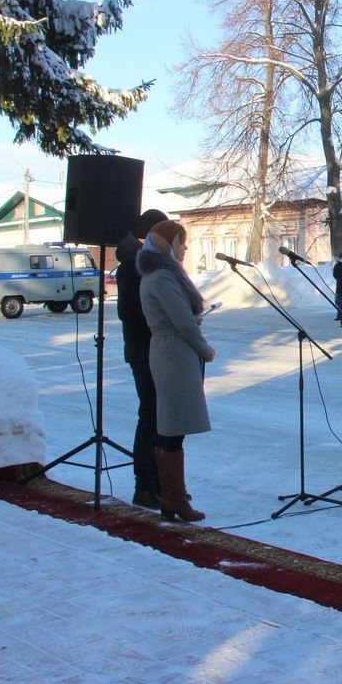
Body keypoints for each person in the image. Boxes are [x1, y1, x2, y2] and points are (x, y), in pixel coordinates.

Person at [136, 220, 215, 523]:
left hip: (171, 351)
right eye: (182, 242)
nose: (185, 249)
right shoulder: (162, 277)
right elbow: (181, 319)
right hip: (174, 354)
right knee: (172, 429)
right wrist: (203, 347)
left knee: (170, 427)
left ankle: (172, 498)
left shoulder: (160, 275)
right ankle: (175, 499)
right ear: (169, 244)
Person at [114, 208, 170, 509]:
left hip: (157, 348)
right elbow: (128, 312)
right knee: (149, 417)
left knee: (160, 418)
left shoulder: (147, 262)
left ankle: (162, 483)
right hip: (144, 350)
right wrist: (160, 322)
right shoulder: (133, 265)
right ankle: (144, 486)